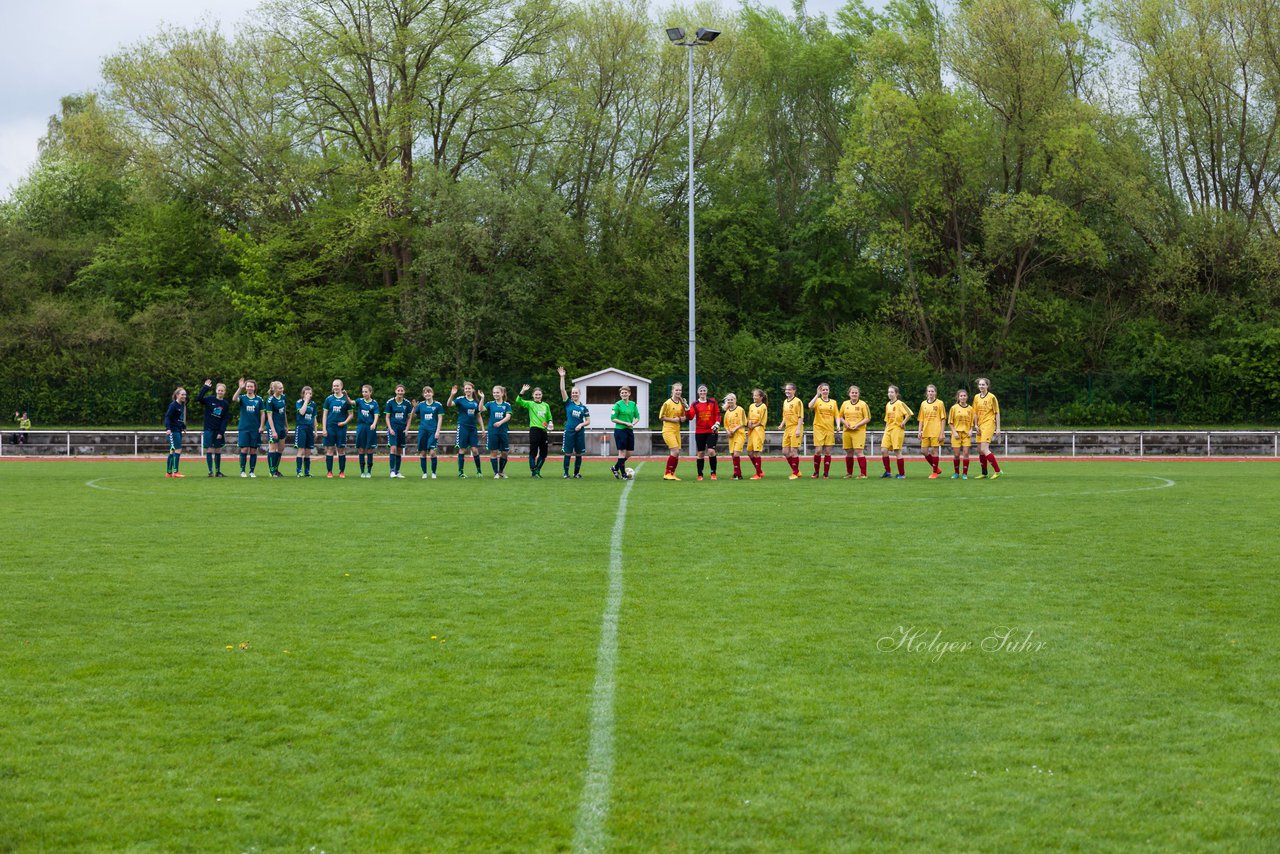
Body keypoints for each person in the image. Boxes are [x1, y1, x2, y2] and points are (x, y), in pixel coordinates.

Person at [447, 381, 485, 478]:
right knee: (462, 449)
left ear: (472, 390)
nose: (467, 390)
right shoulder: (460, 399)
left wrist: (483, 428)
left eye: (469, 388)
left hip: (473, 428)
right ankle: (461, 472)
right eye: (466, 388)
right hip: (463, 427)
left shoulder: (476, 402)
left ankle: (479, 471)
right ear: (464, 390)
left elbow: (479, 414)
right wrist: (452, 395)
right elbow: (449, 404)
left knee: (475, 450)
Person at [558, 367, 590, 479]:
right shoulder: (568, 403)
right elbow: (562, 390)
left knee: (579, 453)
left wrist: (581, 425)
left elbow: (588, 421)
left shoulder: (584, 408)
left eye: (576, 392)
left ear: (579, 394)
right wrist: (562, 377)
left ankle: (576, 473)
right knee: (568, 453)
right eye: (573, 393)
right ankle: (566, 473)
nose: (574, 394)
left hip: (579, 432)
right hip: (569, 431)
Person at [516, 384, 553, 477]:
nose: (538, 396)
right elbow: (518, 401)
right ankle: (534, 471)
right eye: (536, 395)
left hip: (544, 431)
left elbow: (549, 417)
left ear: (542, 395)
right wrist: (522, 391)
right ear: (533, 395)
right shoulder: (530, 404)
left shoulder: (546, 405)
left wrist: (551, 422)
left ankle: (537, 470)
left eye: (539, 394)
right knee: (534, 451)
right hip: (534, 430)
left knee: (544, 453)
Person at [408, 386, 444, 479]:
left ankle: (433, 473)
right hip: (423, 431)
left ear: (432, 393)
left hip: (433, 431)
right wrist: (414, 408)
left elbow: (440, 418)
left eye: (429, 392)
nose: (427, 394)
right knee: (423, 453)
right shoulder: (421, 405)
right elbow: (413, 416)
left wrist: (438, 431)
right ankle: (424, 473)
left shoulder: (438, 405)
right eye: (425, 392)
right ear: (423, 395)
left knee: (432, 452)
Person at [687, 384, 721, 481]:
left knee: (711, 451)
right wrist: (687, 410)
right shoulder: (694, 404)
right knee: (701, 453)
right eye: (701, 391)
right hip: (700, 431)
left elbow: (717, 414)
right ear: (698, 392)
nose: (702, 392)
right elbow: (690, 417)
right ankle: (700, 474)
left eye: (704, 390)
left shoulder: (712, 402)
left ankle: (713, 473)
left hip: (712, 430)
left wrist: (717, 423)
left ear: (706, 391)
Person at [196, 381, 230, 476]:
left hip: (218, 430)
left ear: (224, 392)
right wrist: (205, 387)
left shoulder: (225, 404)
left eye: (222, 391)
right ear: (216, 390)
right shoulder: (209, 399)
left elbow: (225, 419)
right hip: (208, 429)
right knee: (209, 449)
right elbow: (199, 398)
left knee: (218, 450)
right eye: (219, 390)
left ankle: (218, 471)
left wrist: (221, 432)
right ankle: (210, 471)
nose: (220, 392)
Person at [232, 378, 265, 478]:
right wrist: (239, 388)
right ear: (245, 388)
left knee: (254, 450)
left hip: (255, 428)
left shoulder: (259, 399)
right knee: (244, 449)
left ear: (254, 388)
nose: (250, 388)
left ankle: (252, 471)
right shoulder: (242, 398)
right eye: (248, 386)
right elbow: (234, 398)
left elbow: (263, 413)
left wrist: (261, 426)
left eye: (251, 386)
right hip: (244, 428)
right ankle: (242, 471)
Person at [321, 379, 353, 478]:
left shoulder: (345, 400)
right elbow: (325, 415)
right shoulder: (329, 399)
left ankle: (341, 472)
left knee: (341, 450)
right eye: (334, 386)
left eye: (337, 386)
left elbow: (351, 415)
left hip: (341, 428)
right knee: (330, 449)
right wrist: (324, 428)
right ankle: (329, 472)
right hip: (330, 427)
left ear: (341, 387)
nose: (335, 387)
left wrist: (344, 422)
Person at [880, 385, 914, 479]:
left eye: (892, 392)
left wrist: (903, 422)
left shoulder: (900, 403)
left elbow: (909, 413)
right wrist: (885, 430)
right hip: (889, 429)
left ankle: (902, 474)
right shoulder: (888, 404)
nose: (890, 394)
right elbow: (887, 419)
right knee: (883, 450)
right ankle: (888, 472)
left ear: (896, 394)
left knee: (897, 451)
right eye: (889, 392)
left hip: (897, 429)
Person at [973, 377, 1003, 479]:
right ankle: (984, 473)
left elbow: (997, 412)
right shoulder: (976, 397)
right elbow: (975, 412)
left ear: (987, 386)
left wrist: (998, 428)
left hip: (989, 424)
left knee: (984, 449)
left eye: (983, 384)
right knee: (980, 450)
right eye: (980, 385)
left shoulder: (992, 397)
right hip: (980, 425)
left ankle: (998, 471)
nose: (981, 386)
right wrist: (976, 425)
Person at [659, 382, 689, 481]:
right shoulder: (667, 403)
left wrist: (683, 418)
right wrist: (673, 420)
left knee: (677, 453)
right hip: (668, 430)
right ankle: (667, 473)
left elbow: (684, 416)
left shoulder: (681, 403)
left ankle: (672, 473)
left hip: (677, 430)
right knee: (675, 451)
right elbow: (661, 417)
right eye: (676, 390)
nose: (678, 392)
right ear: (672, 391)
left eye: (680, 390)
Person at [808, 383, 839, 478]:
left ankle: (826, 473)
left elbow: (837, 415)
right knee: (818, 451)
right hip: (818, 428)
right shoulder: (817, 400)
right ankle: (816, 472)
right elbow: (810, 406)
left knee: (828, 452)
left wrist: (838, 425)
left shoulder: (833, 402)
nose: (825, 391)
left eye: (826, 390)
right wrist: (817, 394)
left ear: (829, 391)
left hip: (829, 429)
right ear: (821, 391)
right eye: (823, 390)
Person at [840, 385, 871, 478]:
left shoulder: (863, 404)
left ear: (858, 394)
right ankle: (849, 473)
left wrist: (857, 425)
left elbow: (868, 418)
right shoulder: (845, 404)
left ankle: (863, 474)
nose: (854, 394)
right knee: (849, 451)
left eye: (856, 393)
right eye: (852, 392)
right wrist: (845, 423)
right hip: (847, 430)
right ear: (849, 394)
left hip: (859, 431)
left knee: (858, 451)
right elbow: (840, 416)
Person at [917, 384, 946, 479]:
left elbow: (943, 419)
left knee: (934, 451)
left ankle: (934, 472)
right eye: (929, 391)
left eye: (932, 391)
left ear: (935, 393)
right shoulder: (923, 404)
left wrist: (942, 432)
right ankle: (936, 468)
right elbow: (921, 419)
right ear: (926, 393)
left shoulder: (940, 403)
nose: (930, 393)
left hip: (936, 431)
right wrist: (919, 431)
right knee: (923, 451)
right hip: (925, 431)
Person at [609, 386, 639, 479]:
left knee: (629, 453)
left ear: (629, 393)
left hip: (629, 430)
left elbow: (637, 416)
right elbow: (613, 419)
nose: (624, 394)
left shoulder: (633, 404)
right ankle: (623, 474)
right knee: (621, 452)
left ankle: (615, 468)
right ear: (620, 394)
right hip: (620, 430)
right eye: (622, 393)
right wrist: (625, 423)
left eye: (626, 392)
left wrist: (633, 423)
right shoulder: (617, 405)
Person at [384, 385, 413, 479]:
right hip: (393, 428)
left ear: (404, 392)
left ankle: (397, 471)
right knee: (393, 448)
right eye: (398, 390)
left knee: (399, 450)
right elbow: (387, 417)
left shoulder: (407, 403)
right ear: (395, 391)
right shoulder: (390, 402)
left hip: (402, 429)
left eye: (402, 390)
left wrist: (407, 429)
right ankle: (392, 471)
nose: (400, 392)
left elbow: (409, 417)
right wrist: (390, 428)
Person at [484, 386, 513, 478]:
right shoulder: (490, 404)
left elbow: (508, 416)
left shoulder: (507, 405)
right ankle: (495, 473)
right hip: (492, 431)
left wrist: (500, 422)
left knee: (504, 452)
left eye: (497, 392)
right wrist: (482, 398)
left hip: (503, 431)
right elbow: (480, 409)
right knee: (494, 452)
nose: (495, 394)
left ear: (502, 393)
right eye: (494, 392)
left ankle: (501, 471)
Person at [262, 380, 289, 478]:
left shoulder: (283, 397)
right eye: (280, 388)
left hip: (281, 426)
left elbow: (284, 412)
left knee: (281, 448)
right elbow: (269, 416)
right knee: (272, 448)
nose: (282, 389)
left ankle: (276, 469)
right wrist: (273, 430)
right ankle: (272, 471)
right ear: (274, 389)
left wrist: (286, 425)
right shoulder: (270, 400)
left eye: (282, 388)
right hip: (273, 426)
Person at [948, 389, 975, 479]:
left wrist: (971, 430)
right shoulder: (954, 408)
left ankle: (965, 474)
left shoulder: (970, 409)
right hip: (956, 434)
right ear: (958, 397)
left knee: (966, 453)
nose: (963, 397)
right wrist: (954, 432)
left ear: (967, 397)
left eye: (964, 396)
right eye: (961, 396)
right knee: (956, 455)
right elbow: (950, 422)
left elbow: (972, 423)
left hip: (966, 434)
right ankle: (956, 473)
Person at [779, 382, 804, 479]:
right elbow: (785, 415)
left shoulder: (798, 401)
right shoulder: (785, 401)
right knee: (785, 452)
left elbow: (801, 416)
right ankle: (797, 471)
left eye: (789, 389)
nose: (787, 391)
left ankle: (794, 473)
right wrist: (782, 424)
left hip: (796, 427)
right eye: (786, 389)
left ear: (794, 390)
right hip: (787, 428)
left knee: (793, 450)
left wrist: (798, 429)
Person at [355, 384, 381, 478]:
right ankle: (362, 471)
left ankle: (369, 471)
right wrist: (345, 395)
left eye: (366, 391)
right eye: (363, 391)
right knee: (361, 449)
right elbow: (350, 402)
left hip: (370, 428)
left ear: (370, 392)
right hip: (361, 427)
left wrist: (374, 423)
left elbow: (376, 414)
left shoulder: (374, 403)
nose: (364, 393)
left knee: (369, 449)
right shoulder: (359, 401)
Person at [722, 393, 747, 479]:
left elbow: (744, 422)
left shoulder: (740, 410)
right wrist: (728, 431)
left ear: (735, 400)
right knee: (733, 455)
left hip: (740, 434)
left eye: (731, 399)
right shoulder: (727, 412)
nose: (730, 401)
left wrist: (735, 428)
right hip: (731, 436)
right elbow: (725, 425)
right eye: (728, 400)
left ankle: (737, 474)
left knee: (736, 454)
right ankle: (737, 474)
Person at [164, 387, 187, 478]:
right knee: (178, 449)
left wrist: (183, 426)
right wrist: (168, 428)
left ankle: (169, 472)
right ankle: (175, 472)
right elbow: (167, 417)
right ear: (177, 395)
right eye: (182, 394)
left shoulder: (182, 405)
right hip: (173, 430)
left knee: (172, 451)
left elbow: (179, 418)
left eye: (185, 394)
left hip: (178, 429)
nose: (184, 396)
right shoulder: (173, 405)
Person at [746, 389, 768, 479]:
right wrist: (749, 423)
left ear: (761, 397)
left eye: (756, 395)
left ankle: (758, 474)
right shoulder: (751, 406)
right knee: (749, 452)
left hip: (758, 431)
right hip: (751, 431)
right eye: (753, 395)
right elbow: (749, 418)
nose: (754, 397)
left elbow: (762, 421)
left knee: (756, 452)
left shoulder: (763, 407)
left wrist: (753, 425)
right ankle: (760, 471)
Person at [295, 387, 317, 477]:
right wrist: (306, 401)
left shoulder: (313, 404)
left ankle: (307, 472)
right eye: (306, 393)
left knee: (308, 451)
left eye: (310, 394)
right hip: (301, 428)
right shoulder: (299, 402)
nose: (308, 395)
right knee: (301, 450)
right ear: (303, 394)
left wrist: (315, 431)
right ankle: (299, 471)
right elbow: (302, 412)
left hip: (309, 428)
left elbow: (314, 418)